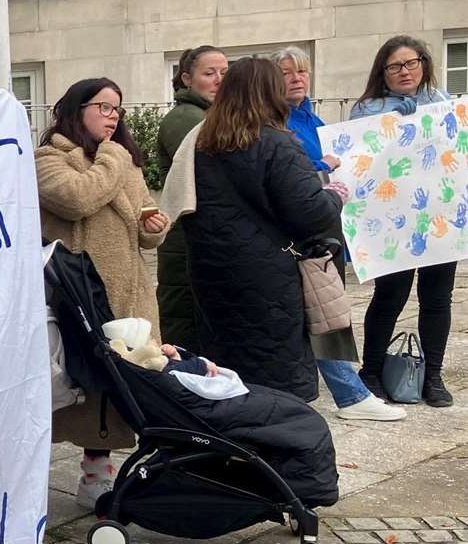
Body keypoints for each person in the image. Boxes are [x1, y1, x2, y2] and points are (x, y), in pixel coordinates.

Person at [36, 78, 169, 509]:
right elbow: (78, 199)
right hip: (75, 294)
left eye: (117, 110)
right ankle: (27, 474)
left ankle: (97, 473)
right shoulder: (48, 159)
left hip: (127, 294)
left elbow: (143, 224)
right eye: (104, 107)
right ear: (77, 110)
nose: (112, 117)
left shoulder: (126, 165)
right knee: (66, 385)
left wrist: (155, 227)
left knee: (116, 389)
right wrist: (112, 157)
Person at [184, 57, 348, 400]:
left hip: (213, 271)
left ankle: (235, 444)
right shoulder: (276, 143)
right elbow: (311, 213)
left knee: (228, 371)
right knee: (275, 375)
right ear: (272, 93)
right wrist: (334, 196)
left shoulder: (202, 144)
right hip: (269, 275)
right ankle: (274, 445)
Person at [275, 45, 404, 422]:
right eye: (286, 72)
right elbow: (289, 171)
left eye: (301, 72)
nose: (296, 78)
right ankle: (350, 394)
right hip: (302, 233)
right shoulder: (277, 122)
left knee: (325, 311)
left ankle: (348, 392)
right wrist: (322, 165)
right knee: (325, 312)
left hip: (323, 227)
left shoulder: (312, 119)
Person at [349, 36, 456, 407]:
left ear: (424, 64)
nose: (404, 71)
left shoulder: (444, 104)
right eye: (395, 66)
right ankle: (373, 371)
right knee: (389, 297)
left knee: (437, 299)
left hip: (438, 218)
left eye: (411, 63)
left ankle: (434, 376)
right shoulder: (367, 110)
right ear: (383, 72)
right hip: (392, 221)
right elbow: (360, 162)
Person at [155, 45, 227, 352]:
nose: (218, 80)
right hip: (186, 241)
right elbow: (214, 171)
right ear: (187, 78)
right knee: (186, 329)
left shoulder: (210, 115)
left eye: (225, 73)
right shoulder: (186, 118)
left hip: (200, 237)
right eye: (209, 73)